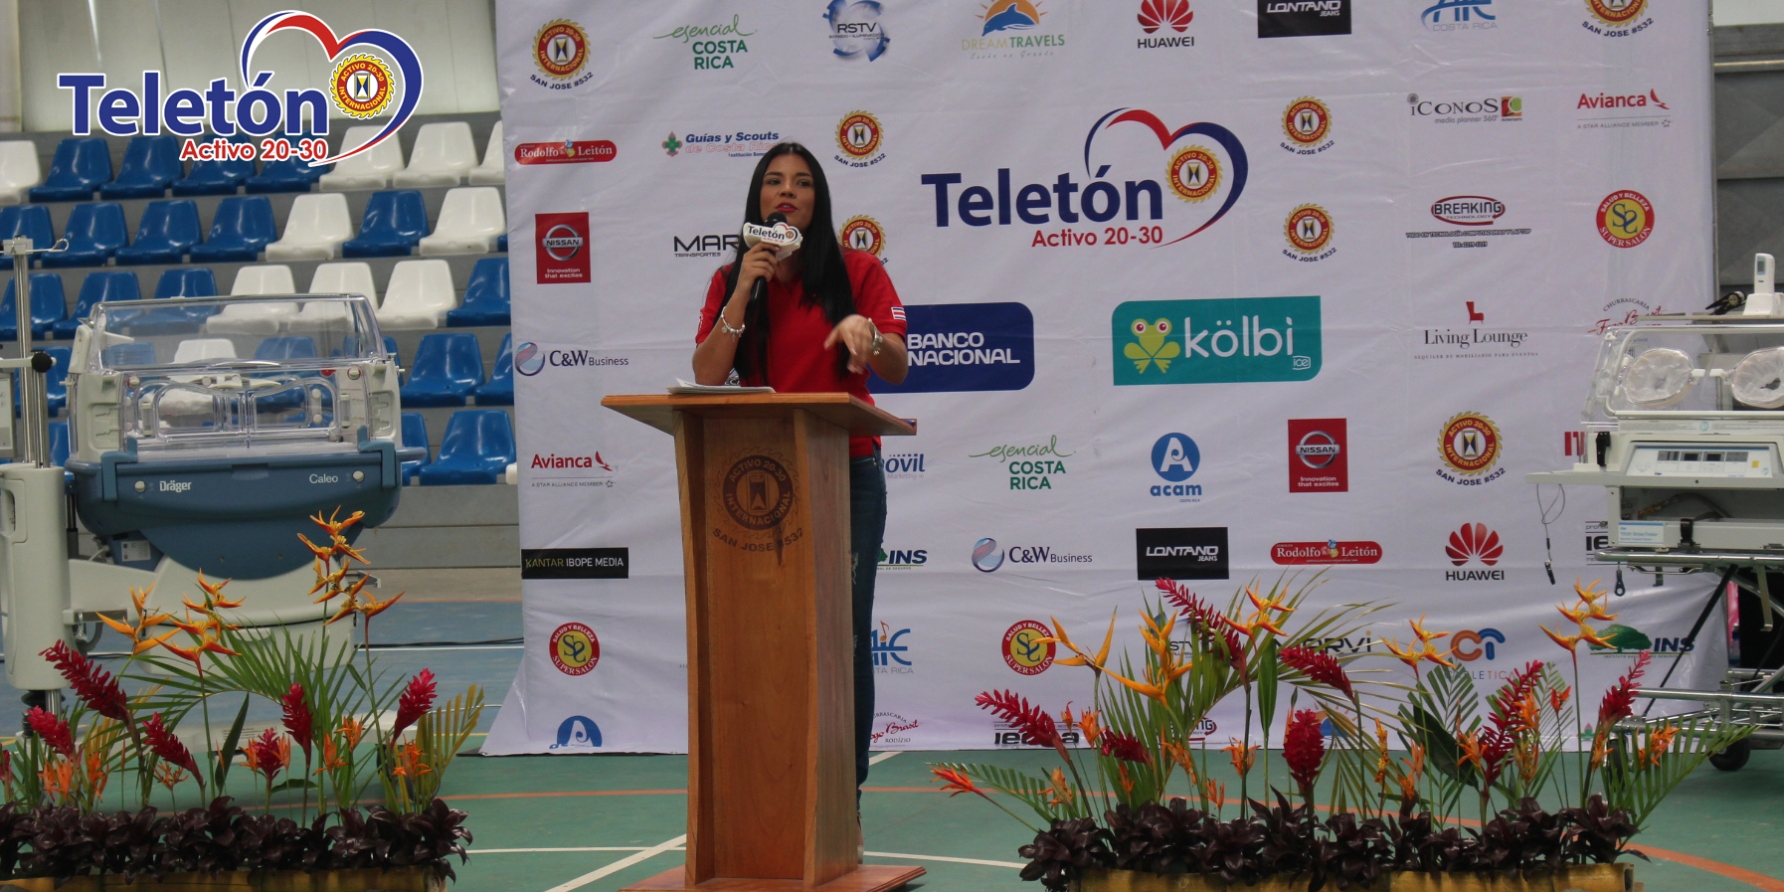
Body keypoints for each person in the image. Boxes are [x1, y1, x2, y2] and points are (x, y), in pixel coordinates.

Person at [692, 142, 910, 816]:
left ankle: (843, 798)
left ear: (818, 201)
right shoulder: (732, 278)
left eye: (803, 183)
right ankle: (773, 790)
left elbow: (898, 366)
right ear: (758, 200)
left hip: (847, 474)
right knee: (766, 635)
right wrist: (744, 288)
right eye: (774, 182)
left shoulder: (858, 270)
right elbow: (707, 374)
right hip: (760, 482)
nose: (787, 192)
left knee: (844, 636)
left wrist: (867, 334)